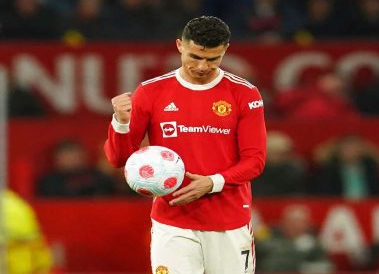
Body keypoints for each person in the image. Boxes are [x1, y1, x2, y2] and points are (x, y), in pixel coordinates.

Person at [104, 16, 267, 273]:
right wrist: (121, 123)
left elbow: (255, 161)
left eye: (212, 59)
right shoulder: (151, 92)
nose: (202, 66)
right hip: (173, 222)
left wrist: (212, 182)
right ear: (180, 45)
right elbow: (118, 159)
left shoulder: (244, 94)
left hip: (229, 220)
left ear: (225, 51)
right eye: (194, 56)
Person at [255, 205, 334, 273]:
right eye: (291, 222)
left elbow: (325, 266)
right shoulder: (268, 238)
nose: (295, 226)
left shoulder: (314, 244)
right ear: (283, 222)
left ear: (307, 224)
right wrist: (294, 246)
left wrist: (304, 268)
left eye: (299, 222)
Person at [37, 139, 117, 197]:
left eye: (75, 155)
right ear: (57, 159)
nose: (72, 160)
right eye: (67, 156)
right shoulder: (50, 181)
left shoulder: (97, 176)